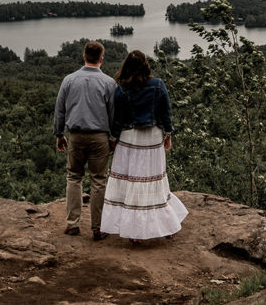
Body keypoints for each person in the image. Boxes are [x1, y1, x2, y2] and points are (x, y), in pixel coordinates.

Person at [100, 50, 187, 242]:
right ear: (146, 65)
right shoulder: (158, 85)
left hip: (129, 140)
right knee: (155, 182)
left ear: (127, 67)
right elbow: (166, 112)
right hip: (153, 138)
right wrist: (169, 134)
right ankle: (166, 226)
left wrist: (113, 140)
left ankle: (136, 232)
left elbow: (118, 120)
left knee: (133, 183)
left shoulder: (121, 89)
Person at [54, 40, 116, 240]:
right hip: (100, 137)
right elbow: (114, 114)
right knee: (99, 180)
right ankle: (98, 228)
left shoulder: (69, 80)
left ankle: (72, 224)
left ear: (84, 56)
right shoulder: (108, 83)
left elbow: (60, 110)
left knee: (74, 177)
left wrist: (59, 134)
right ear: (101, 59)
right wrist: (114, 138)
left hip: (76, 136)